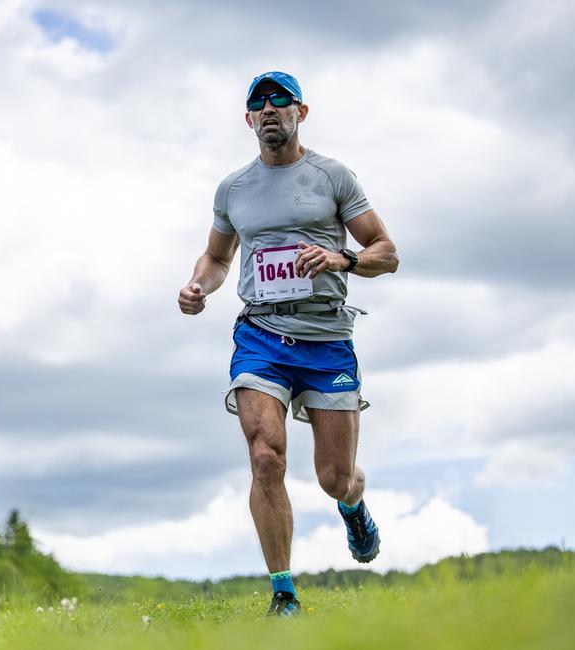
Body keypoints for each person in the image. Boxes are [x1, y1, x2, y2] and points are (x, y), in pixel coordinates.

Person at [178, 71, 399, 617]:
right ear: (248, 119)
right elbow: (218, 257)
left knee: (334, 477)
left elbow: (385, 251)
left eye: (281, 100)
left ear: (302, 112)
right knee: (265, 456)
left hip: (327, 339)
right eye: (259, 102)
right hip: (261, 335)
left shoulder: (333, 176)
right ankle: (284, 593)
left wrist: (341, 258)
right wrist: (197, 285)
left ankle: (354, 504)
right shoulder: (233, 188)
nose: (270, 108)